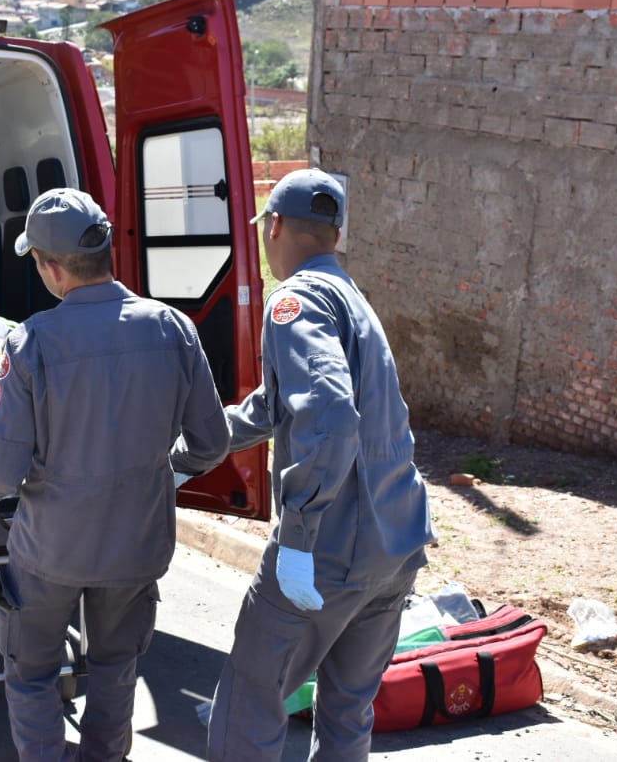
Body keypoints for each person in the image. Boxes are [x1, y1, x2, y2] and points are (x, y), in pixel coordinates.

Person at [182, 169, 435, 761]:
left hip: (328, 551)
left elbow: (328, 416)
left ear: (273, 227)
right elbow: (277, 406)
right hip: (395, 544)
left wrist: (296, 535)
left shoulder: (294, 301)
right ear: (336, 232)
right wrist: (186, 456)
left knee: (250, 704)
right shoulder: (351, 298)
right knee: (347, 714)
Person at [0, 188, 230, 761]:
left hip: (51, 552)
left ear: (51, 266)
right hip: (137, 543)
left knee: (32, 673)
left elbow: (0, 472)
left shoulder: (32, 340)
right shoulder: (173, 327)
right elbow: (212, 441)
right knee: (116, 668)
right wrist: (160, 472)